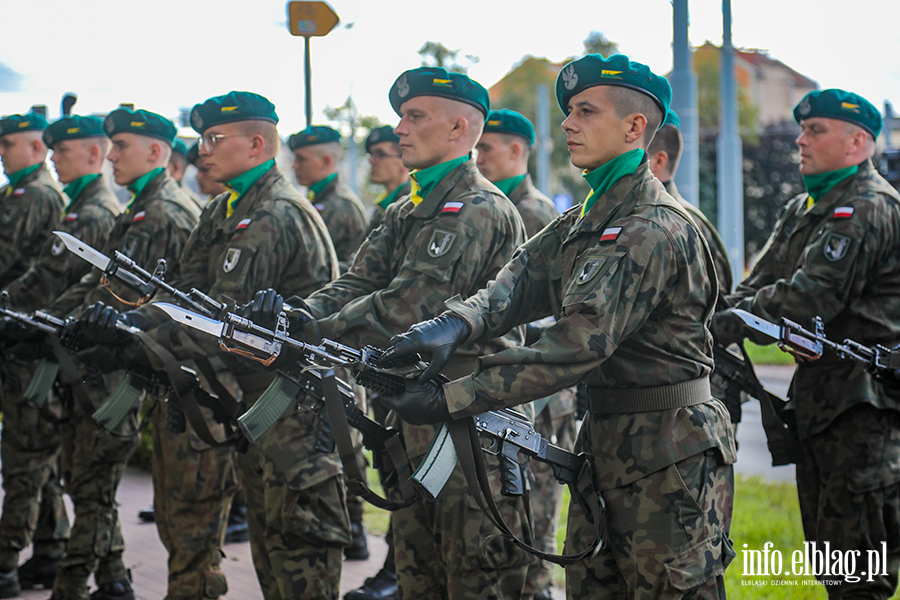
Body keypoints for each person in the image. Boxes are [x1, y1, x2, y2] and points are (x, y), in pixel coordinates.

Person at [380, 54, 737, 600]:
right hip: (608, 445)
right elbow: (513, 285)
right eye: (569, 111)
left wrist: (452, 396)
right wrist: (451, 326)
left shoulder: (651, 228)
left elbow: (574, 347)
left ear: (634, 127)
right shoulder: (586, 218)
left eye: (584, 111)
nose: (567, 123)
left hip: (671, 458)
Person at [252, 65, 532, 599]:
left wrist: (311, 327)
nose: (399, 128)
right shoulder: (407, 208)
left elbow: (410, 307)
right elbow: (357, 281)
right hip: (412, 415)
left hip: (467, 423)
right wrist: (293, 315)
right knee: (417, 576)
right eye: (401, 116)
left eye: (413, 116)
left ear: (458, 130)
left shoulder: (477, 208)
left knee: (475, 578)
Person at [78, 91, 346, 600]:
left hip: (292, 415)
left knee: (299, 564)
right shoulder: (226, 206)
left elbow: (219, 320)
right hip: (254, 408)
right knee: (272, 559)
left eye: (214, 139)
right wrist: (125, 327)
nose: (202, 151)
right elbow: (182, 294)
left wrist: (133, 342)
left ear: (257, 143)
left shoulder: (274, 213)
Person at [712, 88, 900, 597]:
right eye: (802, 129)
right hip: (820, 409)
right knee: (832, 567)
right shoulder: (805, 207)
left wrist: (708, 327)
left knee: (860, 576)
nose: (800, 140)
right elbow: (758, 286)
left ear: (858, 141)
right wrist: (717, 314)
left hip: (864, 415)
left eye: (816, 131)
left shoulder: (868, 208)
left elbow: (807, 299)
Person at [44, 107, 200, 600]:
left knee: (92, 482)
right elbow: (99, 281)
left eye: (122, 146)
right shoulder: (138, 207)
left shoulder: (161, 211)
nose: (111, 155)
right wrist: (50, 321)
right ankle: (112, 578)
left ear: (156, 152)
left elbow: (120, 297)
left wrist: (63, 322)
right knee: (86, 479)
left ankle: (69, 586)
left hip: (124, 368)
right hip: (111, 361)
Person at [475, 108, 575, 600]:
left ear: (517, 151)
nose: (478, 158)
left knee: (534, 509)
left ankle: (535, 590)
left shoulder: (531, 212)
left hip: (538, 390)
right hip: (516, 380)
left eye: (486, 148)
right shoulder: (495, 205)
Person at [0, 112, 68, 598]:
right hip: (16, 334)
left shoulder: (36, 194)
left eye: (8, 144)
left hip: (26, 337)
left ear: (36, 149)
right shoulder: (17, 192)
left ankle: (8, 562)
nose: (1, 153)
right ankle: (50, 550)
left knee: (27, 452)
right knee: (33, 450)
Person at [646, 110, 742, 426]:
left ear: (658, 162)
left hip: (687, 408)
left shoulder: (682, 224)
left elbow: (710, 318)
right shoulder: (648, 220)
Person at [288, 125, 368, 271]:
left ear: (326, 161)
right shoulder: (320, 198)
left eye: (301, 159)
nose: (295, 166)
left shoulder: (340, 205)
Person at [363, 125, 410, 237]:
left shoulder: (412, 206)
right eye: (371, 154)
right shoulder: (383, 207)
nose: (371, 161)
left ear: (404, 160)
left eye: (380, 154)